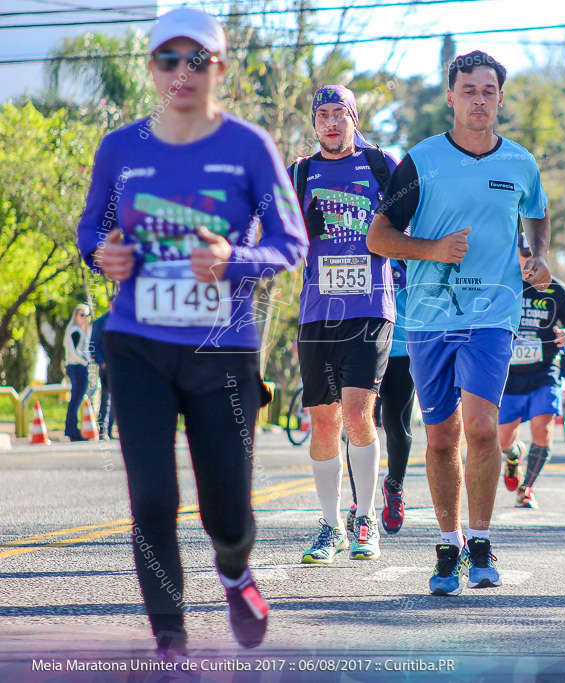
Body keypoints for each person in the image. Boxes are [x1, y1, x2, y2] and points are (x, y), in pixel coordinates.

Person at [76, 8, 307, 659]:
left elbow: (291, 242)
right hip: (137, 344)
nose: (183, 72)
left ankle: (235, 573)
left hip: (221, 350)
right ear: (151, 69)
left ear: (220, 69)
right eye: (169, 60)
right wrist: (103, 255)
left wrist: (237, 261)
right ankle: (170, 645)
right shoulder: (121, 148)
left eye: (197, 60)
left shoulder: (248, 147)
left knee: (226, 513)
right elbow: (92, 229)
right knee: (152, 497)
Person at [367, 50, 551, 596]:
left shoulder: (520, 162)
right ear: (450, 96)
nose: (478, 99)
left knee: (480, 428)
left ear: (500, 96)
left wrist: (538, 256)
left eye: (488, 89)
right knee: (442, 435)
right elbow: (379, 238)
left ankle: (481, 540)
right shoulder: (420, 161)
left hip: (493, 315)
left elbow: (538, 215)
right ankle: (447, 544)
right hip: (428, 317)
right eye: (467, 89)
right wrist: (432, 249)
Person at [288, 85, 397, 564]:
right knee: (325, 419)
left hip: (371, 307)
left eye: (340, 114)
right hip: (317, 312)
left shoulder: (383, 167)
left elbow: (409, 225)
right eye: (323, 115)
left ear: (355, 118)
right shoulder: (300, 173)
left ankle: (365, 517)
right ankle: (330, 525)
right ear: (314, 123)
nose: (332, 123)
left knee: (357, 413)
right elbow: (280, 236)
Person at [499, 240, 565, 509]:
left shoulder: (556, 289)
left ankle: (526, 488)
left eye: (534, 254)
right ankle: (514, 457)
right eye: (524, 254)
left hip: (546, 371)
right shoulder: (503, 286)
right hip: (509, 376)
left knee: (542, 431)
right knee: (503, 441)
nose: (529, 259)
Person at [376, 259, 416, 534]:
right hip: (365, 345)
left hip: (404, 348)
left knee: (397, 427)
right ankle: (360, 500)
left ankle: (395, 487)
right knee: (358, 426)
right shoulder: (365, 239)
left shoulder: (418, 243)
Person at [63, 304, 92, 441]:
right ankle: (72, 430)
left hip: (75, 366)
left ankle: (72, 429)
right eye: (81, 315)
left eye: (87, 315)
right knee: (76, 399)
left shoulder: (78, 330)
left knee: (76, 398)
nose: (84, 318)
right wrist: (85, 362)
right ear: (75, 316)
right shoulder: (76, 331)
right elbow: (74, 352)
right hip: (77, 367)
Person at [89, 310, 116, 439]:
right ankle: (103, 430)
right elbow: (93, 344)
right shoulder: (100, 322)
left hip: (122, 366)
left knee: (118, 399)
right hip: (107, 365)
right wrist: (101, 362)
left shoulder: (124, 320)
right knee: (106, 398)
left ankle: (111, 429)